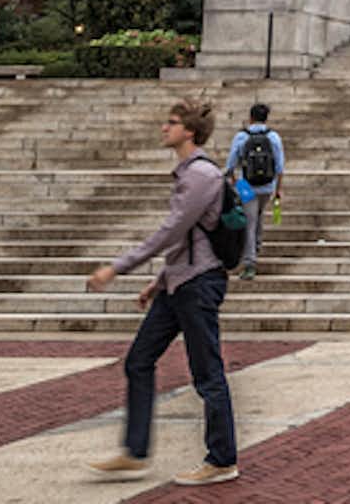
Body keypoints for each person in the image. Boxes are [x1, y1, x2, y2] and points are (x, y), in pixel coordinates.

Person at [84, 98, 238, 486]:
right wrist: (159, 281)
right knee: (138, 360)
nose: (163, 129)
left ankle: (222, 459)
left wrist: (116, 268)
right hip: (179, 282)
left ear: (189, 131)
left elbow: (171, 231)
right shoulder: (187, 173)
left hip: (199, 284)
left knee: (207, 374)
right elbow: (184, 237)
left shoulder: (201, 175)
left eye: (170, 123)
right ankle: (135, 452)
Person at [221, 103, 285, 280]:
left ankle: (249, 262)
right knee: (258, 216)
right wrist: (279, 189)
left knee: (249, 221)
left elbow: (230, 164)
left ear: (250, 117)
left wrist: (235, 182)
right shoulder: (273, 137)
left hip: (246, 186)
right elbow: (280, 166)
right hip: (267, 185)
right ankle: (255, 248)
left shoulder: (241, 136)